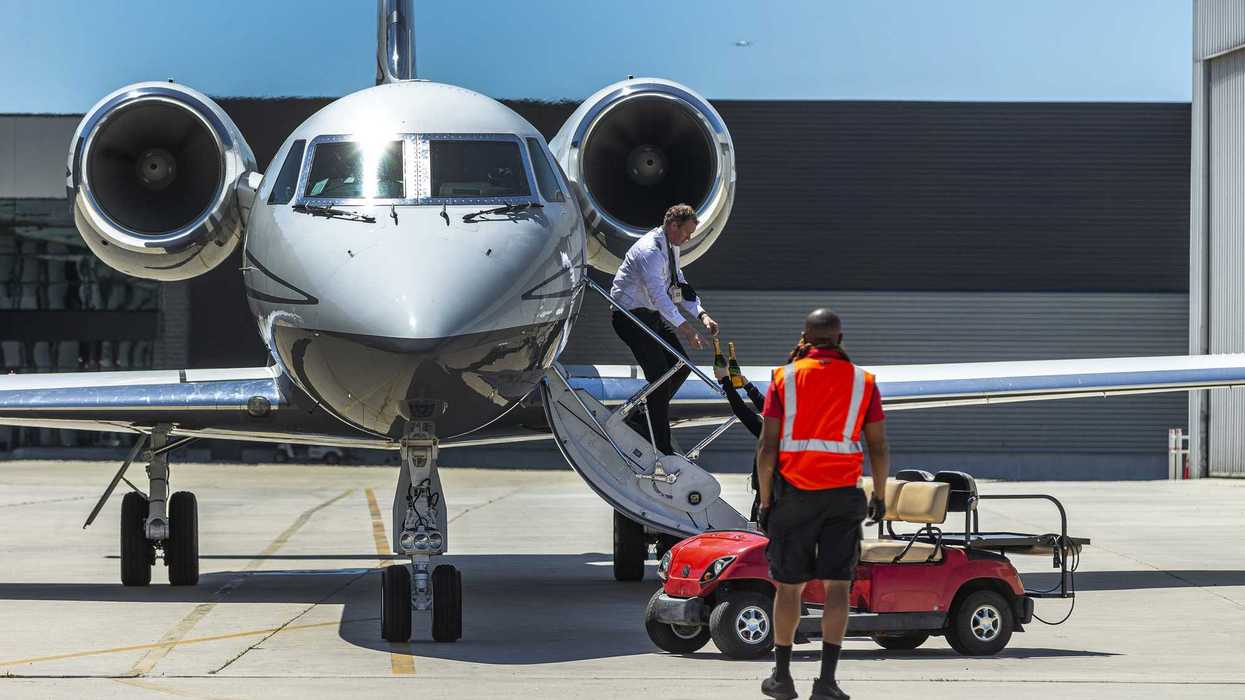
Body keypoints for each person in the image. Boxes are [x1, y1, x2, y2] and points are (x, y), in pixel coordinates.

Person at [755, 309, 890, 700]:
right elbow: (878, 447)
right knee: (837, 587)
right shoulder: (863, 382)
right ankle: (827, 682)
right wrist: (879, 495)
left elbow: (767, 447)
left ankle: (781, 678)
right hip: (843, 496)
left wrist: (766, 500)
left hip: (794, 495)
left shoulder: (784, 378)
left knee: (789, 587)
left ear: (805, 336)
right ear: (840, 337)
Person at [610, 203, 719, 455]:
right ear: (672, 225)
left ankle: (639, 419)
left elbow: (678, 283)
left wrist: (701, 315)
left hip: (650, 316)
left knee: (680, 366)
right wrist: (686, 329)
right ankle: (661, 444)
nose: (688, 238)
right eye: (686, 233)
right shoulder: (650, 251)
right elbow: (660, 296)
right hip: (630, 317)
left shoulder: (671, 247)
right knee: (660, 376)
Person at [713, 362, 766, 521]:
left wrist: (726, 383)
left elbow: (741, 411)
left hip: (769, 500)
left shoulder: (772, 433)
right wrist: (747, 386)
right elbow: (769, 408)